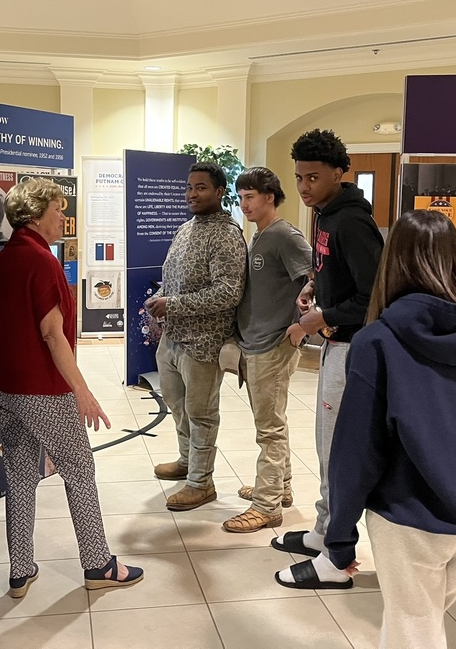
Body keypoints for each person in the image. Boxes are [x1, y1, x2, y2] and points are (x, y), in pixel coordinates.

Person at [316, 210, 456, 649]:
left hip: (411, 516)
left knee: (413, 630)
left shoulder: (377, 342)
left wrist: (340, 535)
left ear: (393, 259)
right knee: (421, 624)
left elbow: (357, 451)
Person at [0, 178, 143, 598]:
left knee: (21, 475)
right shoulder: (43, 263)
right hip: (45, 389)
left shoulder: (5, 259)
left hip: (7, 390)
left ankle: (20, 569)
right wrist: (81, 389)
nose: (64, 217)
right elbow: (52, 334)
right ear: (36, 215)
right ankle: (98, 564)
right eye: (58, 210)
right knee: (79, 471)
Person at [273, 128, 383, 586]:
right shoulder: (324, 215)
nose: (304, 187)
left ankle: (337, 555)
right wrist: (313, 287)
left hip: (352, 348)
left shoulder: (352, 222)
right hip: (334, 345)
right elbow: (331, 271)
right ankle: (323, 530)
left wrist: (316, 321)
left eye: (313, 178)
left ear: (340, 173)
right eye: (299, 177)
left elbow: (374, 295)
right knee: (324, 445)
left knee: (338, 452)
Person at [145, 162, 247, 511]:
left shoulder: (227, 234)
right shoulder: (187, 227)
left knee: (202, 414)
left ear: (219, 191)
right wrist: (162, 298)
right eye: (189, 187)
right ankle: (187, 461)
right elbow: (175, 278)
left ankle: (201, 483)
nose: (192, 194)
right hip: (173, 338)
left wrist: (171, 303)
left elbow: (228, 292)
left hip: (204, 342)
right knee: (178, 407)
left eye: (201, 187)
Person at [224, 167, 312, 533]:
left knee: (269, 429)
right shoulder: (259, 236)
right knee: (273, 420)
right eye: (241, 197)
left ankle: (267, 506)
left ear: (269, 197)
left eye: (251, 197)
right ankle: (279, 488)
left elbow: (314, 278)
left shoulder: (285, 236)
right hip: (255, 341)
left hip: (274, 343)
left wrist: (299, 328)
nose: (244, 204)